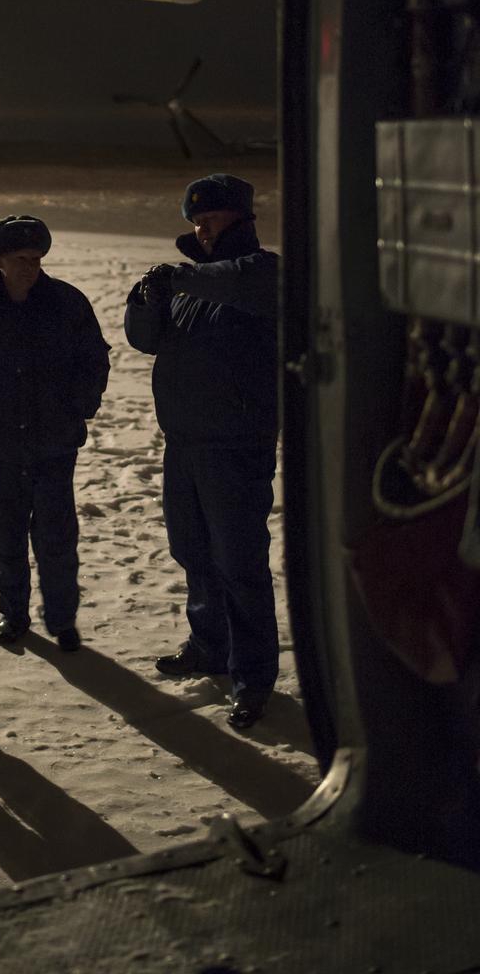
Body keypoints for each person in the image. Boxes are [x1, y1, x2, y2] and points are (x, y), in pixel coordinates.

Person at [124, 173, 279, 730]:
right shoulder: (192, 288)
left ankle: (253, 676)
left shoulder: (263, 271)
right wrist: (144, 301)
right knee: (192, 551)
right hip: (184, 441)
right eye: (195, 222)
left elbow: (242, 283)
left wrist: (183, 277)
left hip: (236, 445)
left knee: (240, 564)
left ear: (240, 219)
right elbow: (144, 340)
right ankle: (208, 645)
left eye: (210, 220)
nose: (201, 229)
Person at [0, 215, 110, 650]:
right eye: (20, 259)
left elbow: (94, 361)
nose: (30, 267)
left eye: (37, 258)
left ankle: (62, 619)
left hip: (55, 444)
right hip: (3, 446)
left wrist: (78, 410)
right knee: (8, 534)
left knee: (57, 535)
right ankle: (13, 614)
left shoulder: (67, 304)